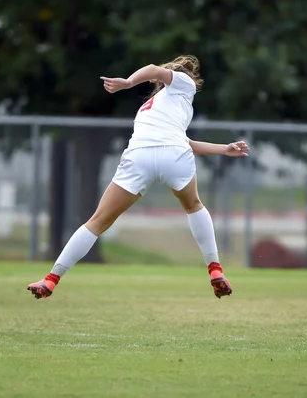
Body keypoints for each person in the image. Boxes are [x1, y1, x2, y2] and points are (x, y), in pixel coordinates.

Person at [27, 55, 250, 300]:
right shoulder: (184, 84)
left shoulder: (153, 104)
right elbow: (154, 69)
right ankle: (215, 269)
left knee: (97, 221)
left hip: (139, 156)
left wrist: (223, 149)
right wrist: (128, 82)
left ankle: (51, 279)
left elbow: (185, 140)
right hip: (174, 155)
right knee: (194, 205)